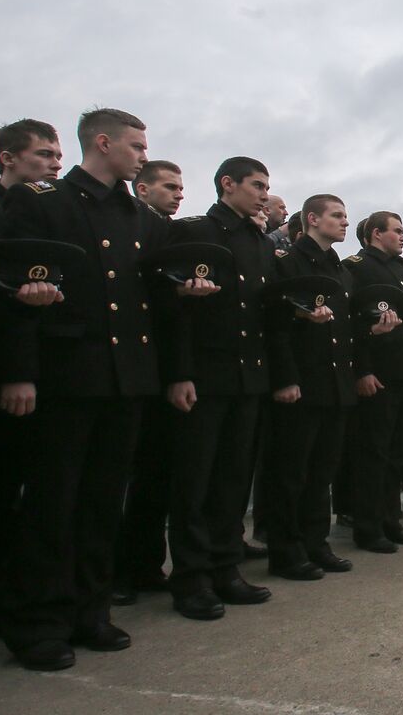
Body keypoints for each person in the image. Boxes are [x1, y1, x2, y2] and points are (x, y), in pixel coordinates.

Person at [0, 108, 216, 670]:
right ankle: (38, 623)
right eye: (137, 146)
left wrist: (178, 360)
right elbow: (9, 287)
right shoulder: (41, 202)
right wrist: (18, 371)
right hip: (65, 377)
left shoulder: (143, 218)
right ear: (103, 142)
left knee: (100, 504)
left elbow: (159, 303)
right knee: (51, 504)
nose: (144, 154)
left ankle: (90, 613)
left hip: (127, 380)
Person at [160, 157, 286, 619]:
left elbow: (264, 313)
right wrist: (179, 372)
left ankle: (226, 569)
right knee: (194, 483)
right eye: (256, 185)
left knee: (232, 480)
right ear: (227, 184)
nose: (263, 193)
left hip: (247, 377)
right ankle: (191, 579)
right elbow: (173, 312)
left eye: (267, 186)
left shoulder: (258, 241)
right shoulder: (196, 231)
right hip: (204, 376)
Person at [266, 194, 391, 581]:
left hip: (337, 384)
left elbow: (348, 329)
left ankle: (316, 544)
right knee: (292, 472)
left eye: (344, 216)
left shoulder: (341, 271)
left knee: (322, 471)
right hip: (304, 382)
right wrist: (286, 378)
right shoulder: (287, 264)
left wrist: (369, 344)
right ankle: (286, 552)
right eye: (336, 216)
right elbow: (275, 326)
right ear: (312, 219)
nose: (343, 221)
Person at [0, 118, 62, 638]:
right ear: (8, 158)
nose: (54, 164)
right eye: (42, 155)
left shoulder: (52, 211)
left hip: (43, 368)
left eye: (58, 156)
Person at [113, 158, 187, 604]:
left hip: (158, 369)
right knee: (119, 480)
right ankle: (115, 572)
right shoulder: (130, 227)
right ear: (142, 190)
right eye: (169, 187)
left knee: (156, 477)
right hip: (125, 369)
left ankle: (144, 564)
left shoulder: (168, 232)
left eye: (181, 187)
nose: (179, 193)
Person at [343, 212, 403, 553]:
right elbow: (352, 325)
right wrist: (363, 370)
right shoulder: (357, 267)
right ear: (376, 234)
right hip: (380, 374)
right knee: (373, 455)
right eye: (397, 231)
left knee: (397, 454)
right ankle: (368, 527)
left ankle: (390, 520)